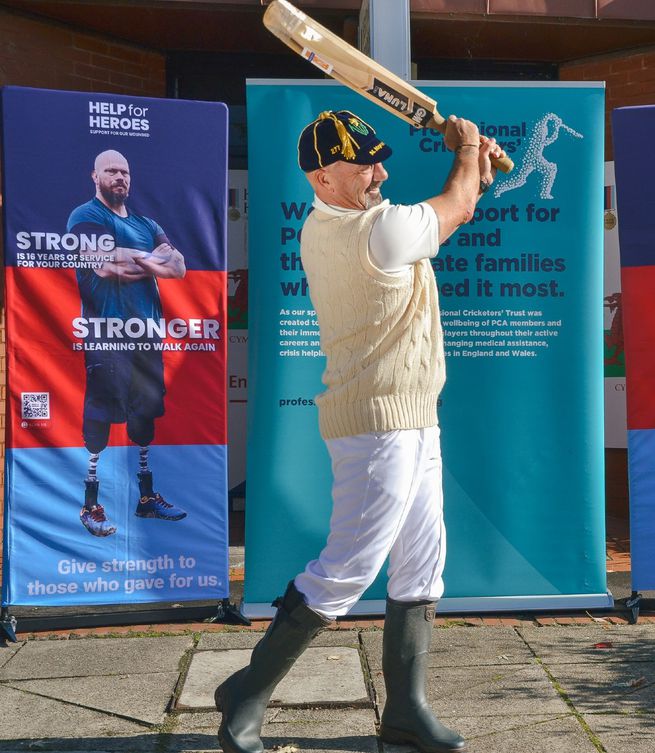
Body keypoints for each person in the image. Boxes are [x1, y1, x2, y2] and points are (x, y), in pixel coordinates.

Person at [214, 110, 505, 753]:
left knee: (422, 567)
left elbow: (454, 210)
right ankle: (246, 692)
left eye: (379, 158)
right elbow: (451, 210)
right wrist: (463, 152)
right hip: (378, 426)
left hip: (411, 416)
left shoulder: (335, 225)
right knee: (346, 570)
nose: (381, 171)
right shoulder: (378, 230)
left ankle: (405, 711)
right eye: (363, 163)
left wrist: (475, 167)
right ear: (320, 176)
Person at [67, 149, 188, 537]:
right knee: (99, 417)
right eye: (111, 171)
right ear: (95, 176)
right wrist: (150, 259)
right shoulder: (85, 216)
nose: (119, 176)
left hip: (146, 336)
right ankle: (90, 505)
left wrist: (132, 259)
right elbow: (105, 265)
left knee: (145, 416)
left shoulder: (146, 222)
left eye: (124, 171)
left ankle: (147, 498)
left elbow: (178, 267)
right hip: (105, 335)